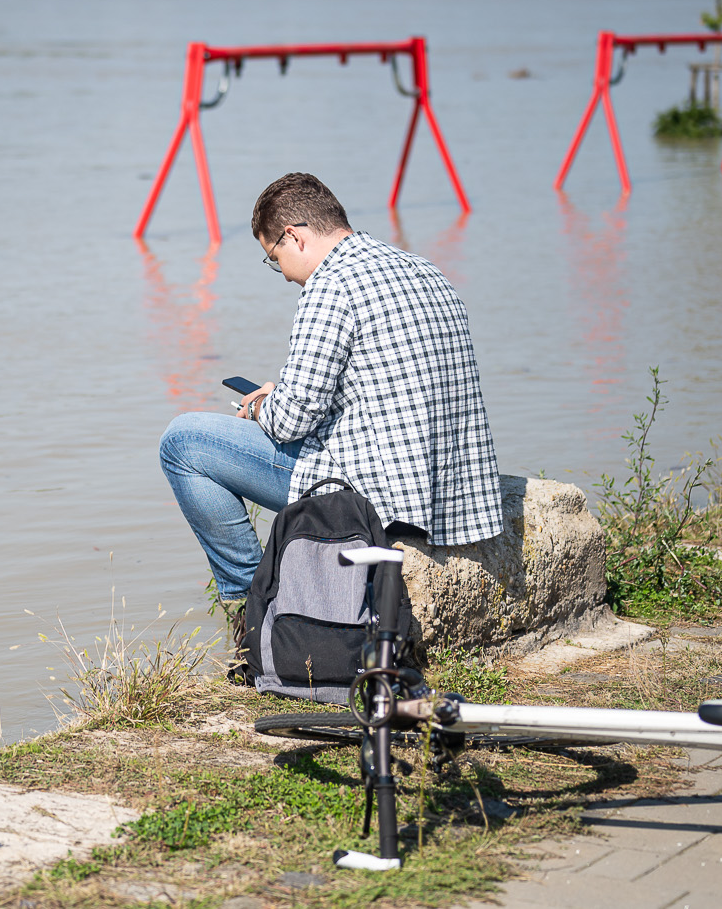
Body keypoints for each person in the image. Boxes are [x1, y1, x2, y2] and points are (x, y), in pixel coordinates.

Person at [158, 172, 501, 625]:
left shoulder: (331, 285)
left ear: (294, 237)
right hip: (453, 493)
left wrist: (259, 407)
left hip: (376, 499)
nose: (283, 274)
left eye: (273, 258)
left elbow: (290, 421)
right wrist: (284, 394)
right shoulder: (424, 269)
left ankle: (251, 607)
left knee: (182, 442)